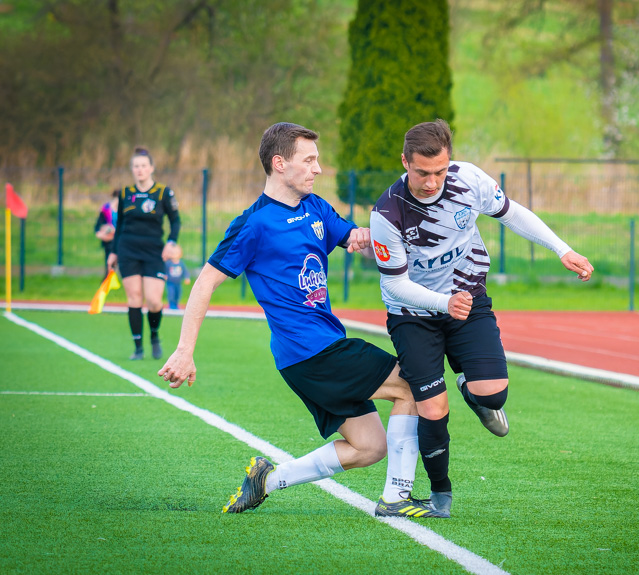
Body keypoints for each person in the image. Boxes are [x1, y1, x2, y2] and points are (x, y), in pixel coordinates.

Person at [157, 122, 446, 518]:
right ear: (279, 164)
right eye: (309, 160)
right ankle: (397, 497)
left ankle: (268, 480)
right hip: (311, 351)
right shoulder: (253, 223)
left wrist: (399, 240)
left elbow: (356, 239)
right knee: (412, 385)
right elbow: (206, 281)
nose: (318, 168)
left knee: (370, 447)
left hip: (312, 354)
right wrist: (185, 350)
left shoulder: (314, 207)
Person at [369, 119, 594, 516]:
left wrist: (562, 249)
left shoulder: (470, 180)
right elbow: (395, 287)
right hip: (413, 315)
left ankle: (473, 391)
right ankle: (441, 496)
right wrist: (442, 303)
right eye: (422, 173)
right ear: (405, 162)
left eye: (440, 171)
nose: (432, 182)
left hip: (469, 301)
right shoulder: (387, 213)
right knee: (433, 408)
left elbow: (512, 213)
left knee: (494, 392)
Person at [107, 148, 180, 361]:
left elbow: (175, 221)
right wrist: (113, 253)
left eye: (143, 166)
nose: (140, 170)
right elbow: (119, 225)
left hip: (154, 251)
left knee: (154, 301)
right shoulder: (125, 194)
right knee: (134, 298)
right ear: (132, 169)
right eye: (136, 166)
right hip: (127, 250)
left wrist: (171, 242)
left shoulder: (163, 193)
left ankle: (154, 336)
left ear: (151, 168)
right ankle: (138, 347)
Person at [94, 189, 120, 278]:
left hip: (121, 239)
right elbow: (98, 225)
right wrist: (100, 232)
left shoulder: (124, 209)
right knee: (109, 261)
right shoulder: (106, 209)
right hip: (109, 240)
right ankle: (108, 279)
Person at [164, 243, 190, 310]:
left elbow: (185, 271)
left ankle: (176, 304)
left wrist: (187, 278)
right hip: (170, 282)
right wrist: (165, 275)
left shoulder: (181, 263)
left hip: (178, 283)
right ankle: (171, 304)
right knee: (171, 293)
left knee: (178, 294)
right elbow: (165, 270)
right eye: (172, 253)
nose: (174, 255)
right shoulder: (168, 263)